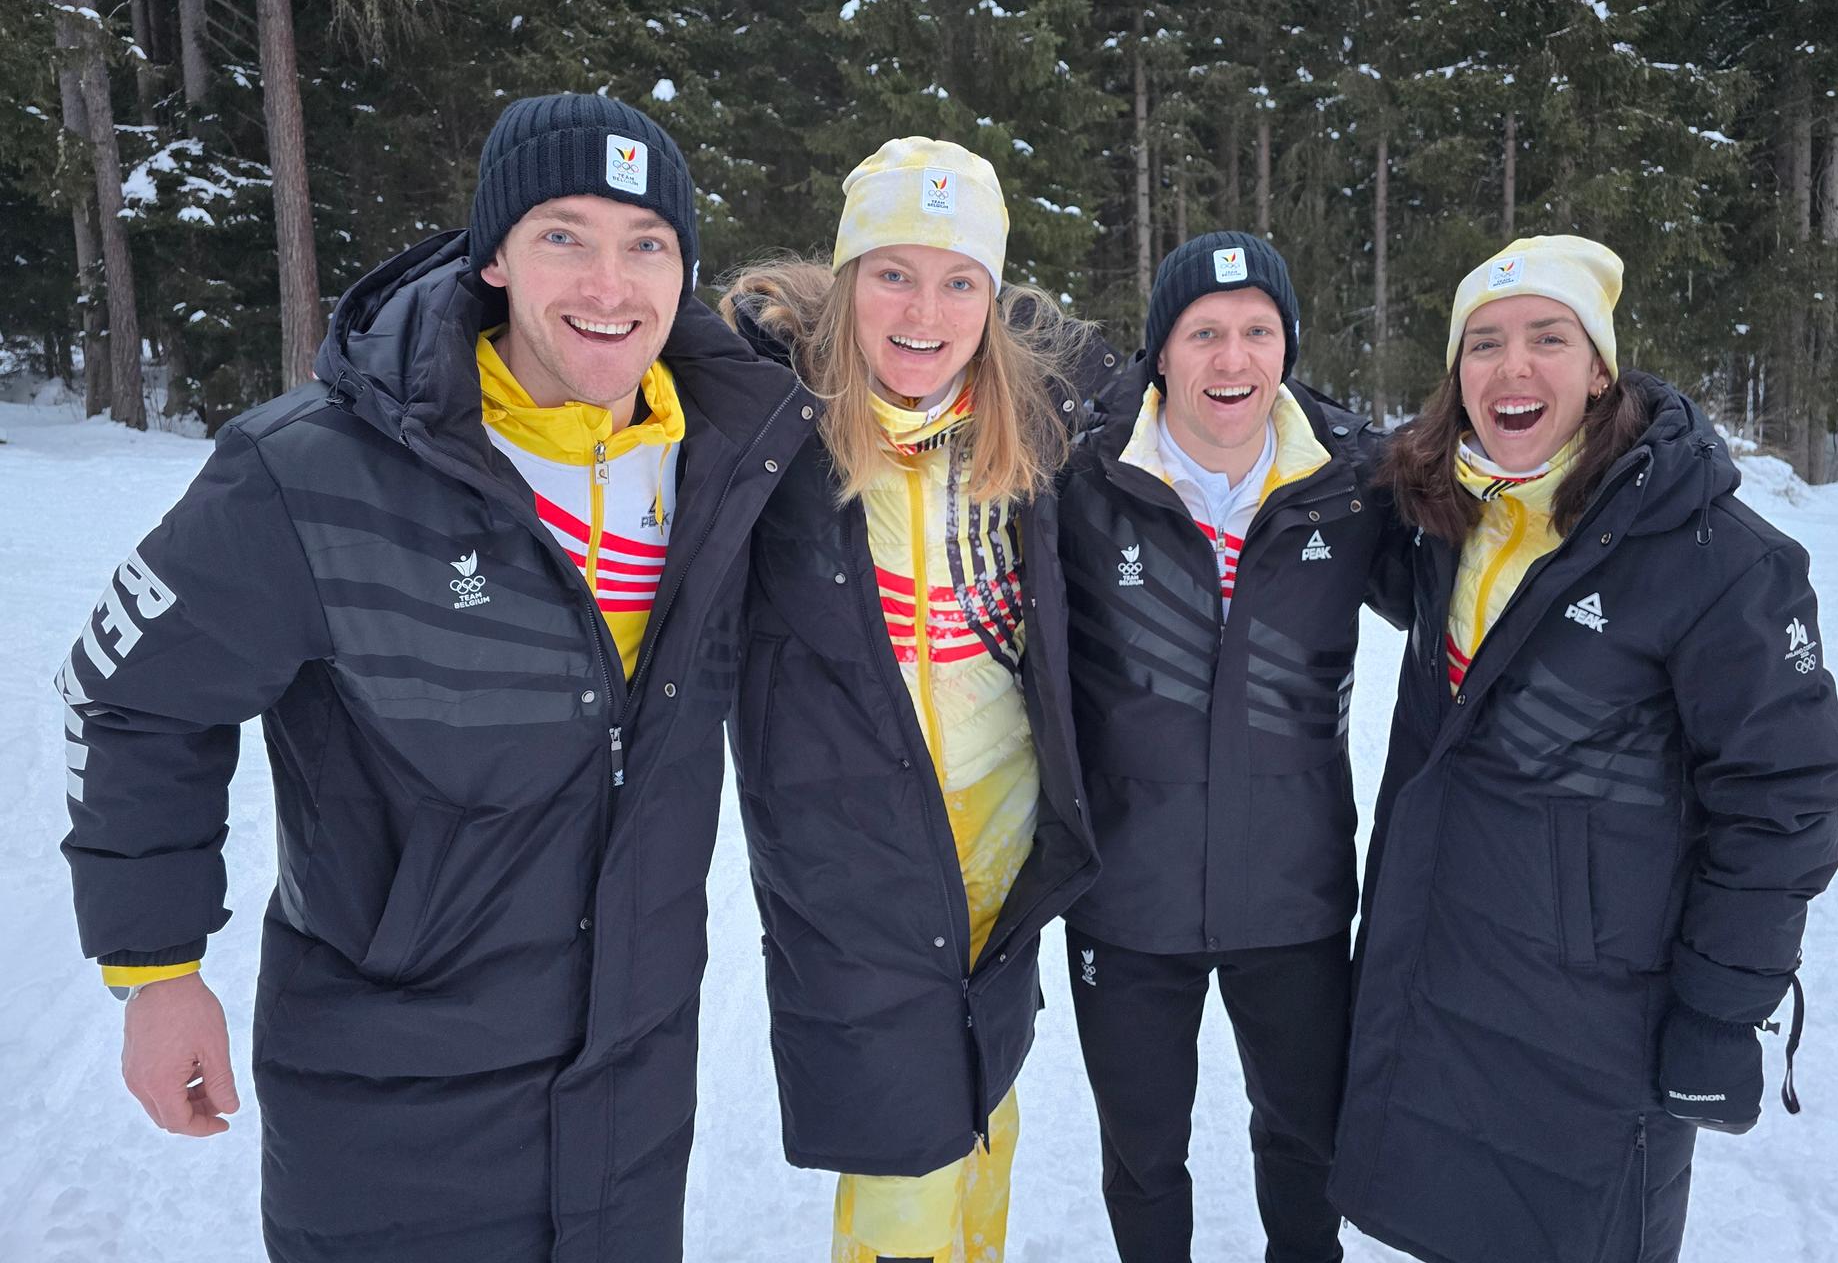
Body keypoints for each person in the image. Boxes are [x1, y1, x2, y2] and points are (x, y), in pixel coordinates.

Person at [55, 93, 813, 1262]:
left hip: (628, 1092)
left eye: (646, 245)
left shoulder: (730, 466)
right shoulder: (316, 470)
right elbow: (133, 697)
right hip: (387, 1097)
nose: (609, 285)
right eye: (565, 235)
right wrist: (156, 971)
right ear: (496, 254)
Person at [1329, 235, 1838, 1263]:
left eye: (1546, 339)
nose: (1512, 368)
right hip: (1446, 981)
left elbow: (1780, 802)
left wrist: (1722, 1012)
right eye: (1483, 344)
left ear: (1601, 368)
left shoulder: (1717, 559)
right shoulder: (1443, 516)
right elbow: (1306, 437)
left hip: (1600, 1019)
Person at [717, 138, 1112, 1263]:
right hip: (855, 853)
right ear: (845, 281)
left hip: (1002, 831)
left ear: (992, 299)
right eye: (893, 272)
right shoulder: (768, 421)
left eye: (959, 281)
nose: (924, 310)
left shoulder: (1028, 429)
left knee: (984, 1106)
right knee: (903, 1158)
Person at [1054, 232, 1408, 1263]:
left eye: (1258, 331)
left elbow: (1485, 575)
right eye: (1203, 332)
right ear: (1160, 351)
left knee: (1305, 1144)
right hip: (1126, 901)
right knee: (1144, 1155)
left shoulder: (1351, 487)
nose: (1232, 359)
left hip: (1291, 896)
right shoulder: (1083, 479)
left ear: (1286, 347)